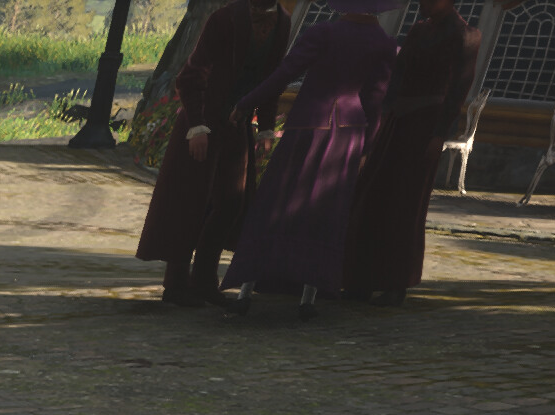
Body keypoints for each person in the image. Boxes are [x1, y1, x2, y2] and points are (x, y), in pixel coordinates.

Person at [227, 0, 398, 315]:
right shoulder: (385, 44)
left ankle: (246, 291)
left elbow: (284, 74)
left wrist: (246, 102)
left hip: (308, 127)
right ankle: (308, 298)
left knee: (278, 201)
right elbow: (374, 102)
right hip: (348, 135)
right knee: (325, 212)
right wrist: (366, 147)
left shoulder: (324, 33)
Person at [134, 0, 295, 304]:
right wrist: (196, 126)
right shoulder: (225, 18)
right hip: (203, 122)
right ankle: (176, 285)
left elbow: (272, 80)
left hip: (237, 125)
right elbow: (190, 76)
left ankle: (204, 281)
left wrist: (265, 128)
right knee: (190, 200)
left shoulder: (283, 21)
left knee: (231, 203)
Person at [341, 0, 477, 302]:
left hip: (426, 125)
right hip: (397, 121)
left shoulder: (465, 35)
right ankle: (359, 279)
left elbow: (458, 90)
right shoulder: (418, 30)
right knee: (374, 193)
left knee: (405, 201)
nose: (421, 3)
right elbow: (397, 74)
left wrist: (439, 134)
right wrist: (383, 115)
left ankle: (395, 282)